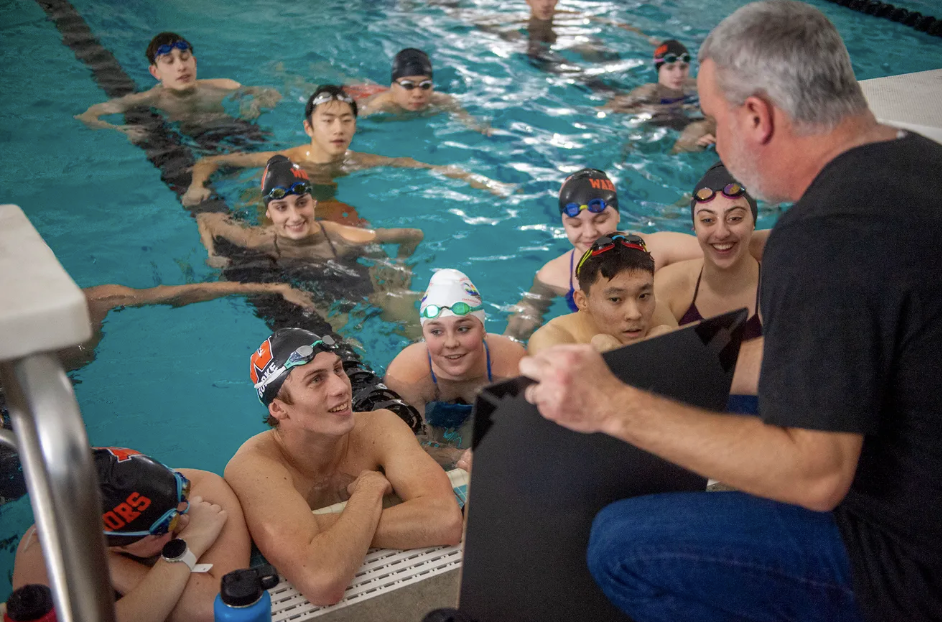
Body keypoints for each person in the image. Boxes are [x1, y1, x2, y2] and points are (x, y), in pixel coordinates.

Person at [518, 2, 942, 620]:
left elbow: (816, 477)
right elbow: (842, 350)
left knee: (621, 545)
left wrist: (616, 404)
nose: (714, 140)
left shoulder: (822, 238)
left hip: (908, 561)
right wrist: (661, 368)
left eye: (715, 121)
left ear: (758, 116)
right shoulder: (919, 160)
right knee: (707, 393)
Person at [225, 328, 463, 606]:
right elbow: (322, 582)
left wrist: (324, 537)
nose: (341, 387)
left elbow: (446, 520)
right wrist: (368, 492)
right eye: (316, 380)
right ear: (278, 409)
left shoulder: (381, 425)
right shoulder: (254, 466)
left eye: (338, 369)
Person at [504, 168, 763, 342]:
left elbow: (727, 244)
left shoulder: (658, 247)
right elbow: (520, 326)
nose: (589, 232)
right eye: (575, 225)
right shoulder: (553, 274)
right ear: (562, 224)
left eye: (601, 219)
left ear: (618, 214)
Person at [12, 447, 250, 622]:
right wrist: (189, 545)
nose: (185, 519)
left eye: (180, 500)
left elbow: (215, 606)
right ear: (114, 546)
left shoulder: (202, 486)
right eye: (160, 530)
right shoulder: (39, 556)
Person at [182, 85, 510, 207]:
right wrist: (197, 186)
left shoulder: (358, 160)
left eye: (346, 120)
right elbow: (210, 161)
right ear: (309, 127)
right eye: (328, 120)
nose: (339, 129)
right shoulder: (285, 158)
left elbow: (417, 166)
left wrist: (479, 181)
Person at [195, 155, 423, 324]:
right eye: (281, 208)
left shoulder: (340, 235)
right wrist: (212, 253)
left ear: (314, 203)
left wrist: (401, 264)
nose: (294, 216)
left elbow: (412, 235)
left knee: (403, 311)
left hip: (364, 288)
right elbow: (205, 217)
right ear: (268, 213)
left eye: (301, 203)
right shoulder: (256, 240)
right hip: (324, 304)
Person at [385, 269, 526, 466]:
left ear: (483, 328)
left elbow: (524, 432)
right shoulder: (406, 376)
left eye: (463, 328)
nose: (451, 343)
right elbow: (404, 445)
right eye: (436, 331)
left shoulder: (510, 365)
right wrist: (456, 455)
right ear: (424, 335)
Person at [76, 32, 281, 146]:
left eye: (184, 58)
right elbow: (88, 116)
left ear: (194, 62)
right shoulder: (150, 98)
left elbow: (271, 93)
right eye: (169, 61)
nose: (180, 66)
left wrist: (257, 102)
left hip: (236, 129)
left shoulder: (223, 85)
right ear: (155, 72)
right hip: (195, 143)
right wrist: (122, 130)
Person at [654, 161, 762, 341]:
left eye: (735, 218)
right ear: (694, 227)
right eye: (707, 220)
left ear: (753, 223)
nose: (721, 233)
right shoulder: (668, 286)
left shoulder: (779, 289)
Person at [528, 233, 674, 354]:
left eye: (643, 296)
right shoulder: (552, 342)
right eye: (616, 299)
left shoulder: (660, 317)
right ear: (582, 301)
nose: (634, 314)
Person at [602, 39, 716, 150]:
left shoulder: (695, 86)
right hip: (659, 123)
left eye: (683, 67)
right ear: (659, 70)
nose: (678, 74)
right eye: (670, 68)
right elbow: (608, 108)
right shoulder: (649, 91)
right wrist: (649, 109)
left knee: (697, 129)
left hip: (685, 122)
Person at [346, 49, 491, 134]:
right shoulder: (379, 107)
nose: (418, 94)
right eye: (409, 86)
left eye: (425, 85)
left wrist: (483, 129)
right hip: (362, 93)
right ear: (394, 87)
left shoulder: (443, 101)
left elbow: (469, 121)